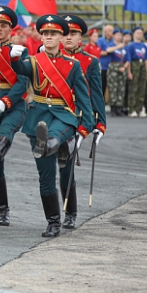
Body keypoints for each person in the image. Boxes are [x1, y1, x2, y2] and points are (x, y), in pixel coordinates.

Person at [10, 15, 94, 237]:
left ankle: (56, 144)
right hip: (38, 116)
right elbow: (21, 70)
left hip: (64, 115)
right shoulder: (34, 61)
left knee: (54, 142)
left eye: (53, 34)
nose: (48, 37)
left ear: (61, 37)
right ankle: (53, 222)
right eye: (45, 33)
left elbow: (85, 99)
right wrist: (14, 58)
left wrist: (86, 128)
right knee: (45, 175)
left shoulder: (73, 65)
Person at [0, 6, 29, 227]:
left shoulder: (19, 50)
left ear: (10, 29)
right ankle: (3, 210)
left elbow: (22, 81)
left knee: (5, 132)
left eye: (3, 25)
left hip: (13, 104)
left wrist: (6, 101)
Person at [60, 15, 106, 229]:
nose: (69, 37)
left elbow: (96, 94)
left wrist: (101, 123)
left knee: (66, 164)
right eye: (66, 33)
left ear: (81, 37)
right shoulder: (50, 57)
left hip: (78, 115)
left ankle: (70, 213)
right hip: (54, 113)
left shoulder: (90, 61)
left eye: (74, 33)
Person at [126, 27, 147, 117]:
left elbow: (146, 59)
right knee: (133, 88)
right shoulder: (131, 46)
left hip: (142, 65)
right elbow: (129, 59)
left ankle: (139, 108)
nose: (139, 35)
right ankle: (132, 109)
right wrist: (129, 72)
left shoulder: (144, 46)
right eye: (137, 33)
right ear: (134, 34)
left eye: (141, 33)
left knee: (142, 88)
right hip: (134, 65)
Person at [107, 28, 128, 117]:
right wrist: (117, 47)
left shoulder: (124, 46)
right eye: (117, 35)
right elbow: (108, 50)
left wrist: (124, 67)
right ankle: (113, 107)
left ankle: (119, 107)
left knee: (121, 88)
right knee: (113, 88)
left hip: (122, 66)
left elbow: (128, 59)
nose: (119, 37)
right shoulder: (111, 44)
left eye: (120, 35)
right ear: (114, 36)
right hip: (113, 66)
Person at [96, 24, 116, 96]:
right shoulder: (100, 41)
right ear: (105, 32)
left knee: (113, 86)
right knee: (102, 85)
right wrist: (108, 51)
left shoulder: (115, 41)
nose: (112, 32)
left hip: (113, 68)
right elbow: (98, 52)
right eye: (110, 31)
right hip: (103, 67)